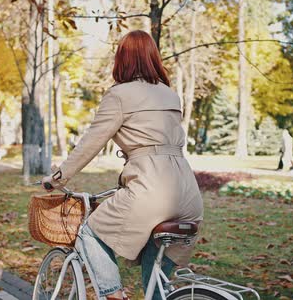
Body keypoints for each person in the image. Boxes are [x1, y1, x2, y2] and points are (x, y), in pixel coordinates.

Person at [41, 30, 203, 300]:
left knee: (89, 232)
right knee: (155, 285)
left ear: (122, 59)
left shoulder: (119, 96)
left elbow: (89, 145)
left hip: (150, 191)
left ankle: (113, 294)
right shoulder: (170, 95)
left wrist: (57, 178)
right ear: (154, 58)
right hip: (188, 195)